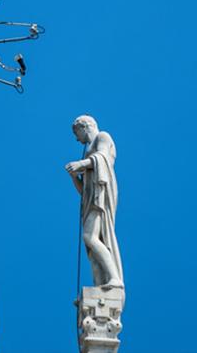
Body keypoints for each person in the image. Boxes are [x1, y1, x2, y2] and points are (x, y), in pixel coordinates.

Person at [65, 115, 124, 290]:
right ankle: (101, 283)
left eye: (76, 133)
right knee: (92, 243)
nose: (77, 139)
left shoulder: (102, 137)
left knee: (90, 237)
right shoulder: (87, 152)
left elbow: (102, 157)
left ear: (85, 127)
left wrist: (80, 164)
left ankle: (115, 278)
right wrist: (74, 177)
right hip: (91, 196)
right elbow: (84, 191)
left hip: (101, 192)